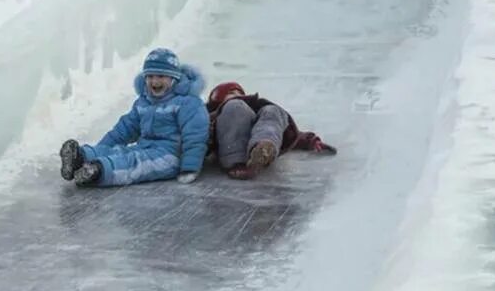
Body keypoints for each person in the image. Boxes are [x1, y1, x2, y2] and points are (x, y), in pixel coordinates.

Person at [59, 48, 209, 187]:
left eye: (161, 76)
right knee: (120, 151)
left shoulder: (188, 103)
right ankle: (80, 157)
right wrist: (101, 147)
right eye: (150, 76)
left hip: (169, 155)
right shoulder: (144, 101)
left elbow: (195, 136)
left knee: (135, 164)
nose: (155, 81)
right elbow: (124, 129)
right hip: (145, 147)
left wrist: (190, 168)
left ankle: (98, 171)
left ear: (174, 79)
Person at [206, 82, 336, 180]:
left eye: (237, 93)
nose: (235, 95)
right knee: (235, 107)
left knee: (272, 111)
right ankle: (237, 162)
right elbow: (195, 136)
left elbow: (277, 126)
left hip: (257, 136)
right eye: (230, 94)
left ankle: (264, 147)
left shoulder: (255, 108)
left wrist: (311, 141)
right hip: (231, 145)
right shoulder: (212, 118)